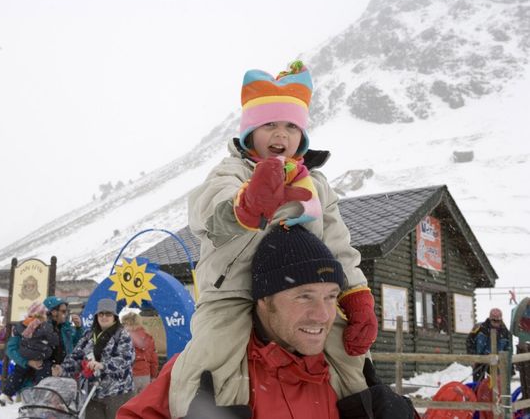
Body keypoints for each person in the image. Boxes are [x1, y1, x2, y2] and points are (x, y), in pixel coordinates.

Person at [169, 61, 377, 416]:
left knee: (348, 345)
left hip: (303, 290)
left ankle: (367, 406)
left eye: (291, 127)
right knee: (214, 351)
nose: (281, 135)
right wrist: (245, 205)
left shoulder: (317, 185)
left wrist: (355, 295)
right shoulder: (233, 172)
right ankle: (204, 412)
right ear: (250, 132)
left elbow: (339, 246)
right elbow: (207, 212)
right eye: (269, 125)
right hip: (233, 288)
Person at [119, 225, 415, 418]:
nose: (323, 314)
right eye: (304, 296)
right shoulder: (207, 366)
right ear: (264, 299)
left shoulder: (344, 372)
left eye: (330, 297)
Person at [58, 298, 134, 419]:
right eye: (101, 314)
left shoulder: (122, 335)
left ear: (114, 316)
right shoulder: (88, 334)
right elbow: (77, 356)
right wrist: (63, 369)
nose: (104, 317)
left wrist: (103, 365)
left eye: (108, 314)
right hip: (91, 392)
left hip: (117, 393)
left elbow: (125, 360)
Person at [0, 301, 59, 405]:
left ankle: (7, 393)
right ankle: (40, 393)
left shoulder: (22, 325)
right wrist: (27, 362)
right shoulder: (46, 326)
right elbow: (11, 349)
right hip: (40, 361)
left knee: (18, 373)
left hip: (29, 357)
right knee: (41, 376)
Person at [469, 308, 513, 382]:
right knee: (477, 384)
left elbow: (509, 349)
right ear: (490, 319)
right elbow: (470, 342)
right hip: (480, 359)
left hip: (497, 361)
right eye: (493, 320)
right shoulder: (479, 328)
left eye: (498, 321)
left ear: (501, 320)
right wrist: (472, 356)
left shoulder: (506, 333)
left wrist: (509, 366)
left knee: (498, 383)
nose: (496, 323)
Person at [121, 312, 159, 394]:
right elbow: (154, 359)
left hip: (131, 375)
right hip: (145, 375)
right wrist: (153, 376)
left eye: (124, 324)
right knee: (143, 403)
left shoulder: (125, 338)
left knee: (130, 403)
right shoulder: (148, 337)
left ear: (128, 323)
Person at [511, 297, 530, 415]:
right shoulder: (521, 310)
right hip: (524, 348)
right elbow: (516, 331)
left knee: (526, 383)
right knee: (526, 383)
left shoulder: (520, 311)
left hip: (524, 348)